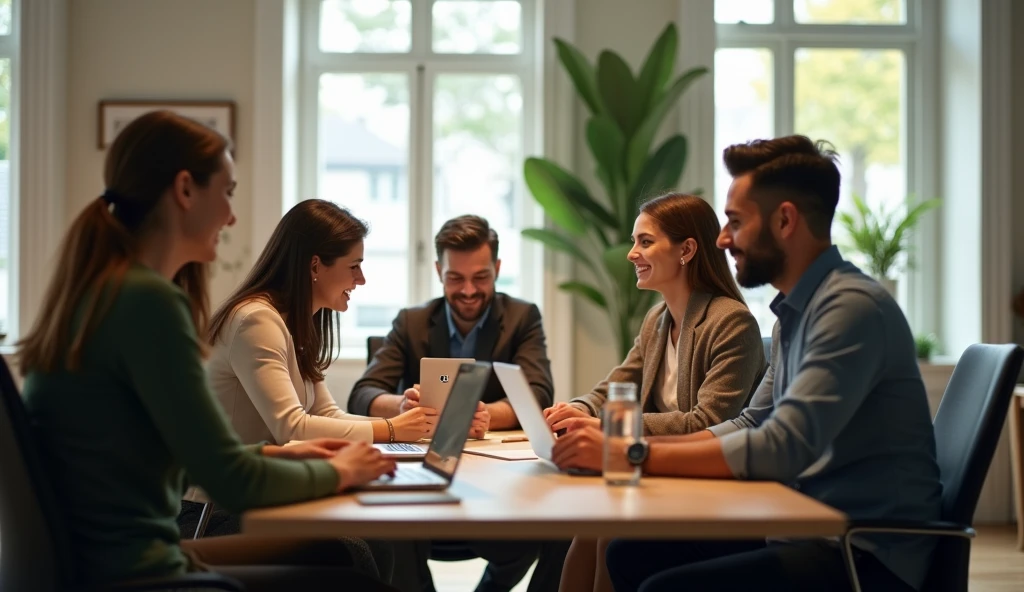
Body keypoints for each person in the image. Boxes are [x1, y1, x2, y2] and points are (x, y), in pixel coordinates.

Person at [18, 110, 397, 591]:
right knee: (352, 560)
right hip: (137, 571)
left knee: (350, 550)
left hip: (109, 558)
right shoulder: (147, 303)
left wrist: (284, 455)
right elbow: (228, 481)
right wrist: (337, 470)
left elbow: (188, 458)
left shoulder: (107, 290)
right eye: (228, 192)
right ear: (184, 190)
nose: (232, 215)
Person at [553, 135, 942, 592]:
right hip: (797, 526)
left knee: (662, 583)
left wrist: (631, 453)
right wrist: (620, 449)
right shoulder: (792, 315)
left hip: (861, 553)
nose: (721, 238)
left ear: (784, 221)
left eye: (735, 221)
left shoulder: (850, 309)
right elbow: (749, 422)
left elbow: (781, 446)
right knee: (626, 550)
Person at [546, 193, 765, 592]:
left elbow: (709, 423)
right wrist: (574, 409)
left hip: (716, 492)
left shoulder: (731, 323)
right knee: (589, 526)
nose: (631, 254)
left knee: (608, 532)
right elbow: (615, 385)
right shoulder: (658, 318)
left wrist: (602, 423)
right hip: (667, 477)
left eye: (644, 242)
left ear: (686, 250)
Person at [350, 214, 568, 592]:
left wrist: (487, 414)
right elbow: (363, 393)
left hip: (497, 488)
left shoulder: (521, 317)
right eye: (455, 278)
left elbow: (538, 393)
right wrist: (402, 405)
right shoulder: (413, 322)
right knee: (393, 531)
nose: (468, 290)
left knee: (557, 525)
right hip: (422, 488)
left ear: (497, 269)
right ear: (438, 270)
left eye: (480, 277)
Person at [206, 199, 439, 447]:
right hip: (235, 485)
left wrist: (404, 424)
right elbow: (292, 427)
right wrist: (392, 428)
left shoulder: (298, 323)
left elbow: (327, 414)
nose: (361, 280)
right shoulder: (256, 321)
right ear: (315, 266)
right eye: (354, 266)